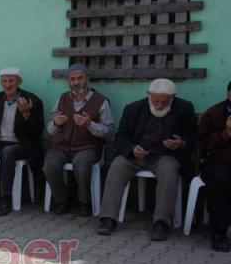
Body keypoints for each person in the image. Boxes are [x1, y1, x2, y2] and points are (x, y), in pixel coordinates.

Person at [97, 79, 196, 241]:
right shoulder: (133, 108)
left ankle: (161, 222)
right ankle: (108, 218)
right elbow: (121, 136)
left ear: (172, 98)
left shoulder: (184, 108)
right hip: (137, 154)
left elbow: (193, 138)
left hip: (165, 155)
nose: (159, 104)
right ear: (149, 96)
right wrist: (131, 148)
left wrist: (180, 143)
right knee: (117, 165)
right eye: (156, 100)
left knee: (169, 170)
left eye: (164, 101)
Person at [43, 64, 114, 216]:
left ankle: (84, 202)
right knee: (49, 165)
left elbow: (109, 132)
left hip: (87, 147)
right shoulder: (62, 98)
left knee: (81, 165)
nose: (76, 82)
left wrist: (89, 124)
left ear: (87, 79)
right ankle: (62, 201)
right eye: (72, 79)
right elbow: (49, 129)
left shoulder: (100, 101)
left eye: (80, 78)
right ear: (68, 82)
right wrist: (56, 123)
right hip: (61, 146)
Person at [0, 68, 44, 216]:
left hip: (21, 143)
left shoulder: (32, 100)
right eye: (4, 81)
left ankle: (6, 199)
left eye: (11, 80)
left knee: (7, 152)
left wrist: (26, 115)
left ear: (19, 82)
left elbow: (36, 133)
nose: (7, 84)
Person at [197, 81, 231, 252]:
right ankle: (219, 232)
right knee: (218, 178)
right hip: (217, 161)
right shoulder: (214, 113)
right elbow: (203, 145)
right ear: (229, 95)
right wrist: (227, 133)